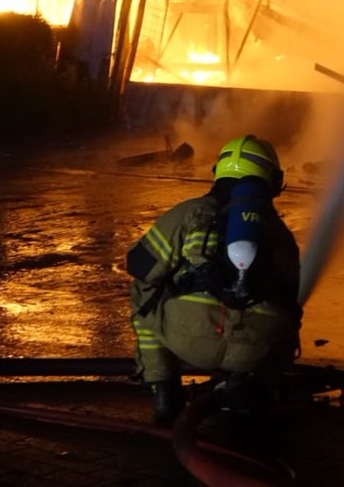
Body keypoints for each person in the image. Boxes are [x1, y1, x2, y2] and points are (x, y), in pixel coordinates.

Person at [127, 134, 302, 426]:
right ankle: (250, 391)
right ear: (273, 179)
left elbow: (139, 265)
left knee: (142, 290)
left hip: (189, 340)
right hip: (253, 352)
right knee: (289, 315)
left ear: (217, 173)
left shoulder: (190, 213)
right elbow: (290, 302)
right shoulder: (282, 235)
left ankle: (163, 388)